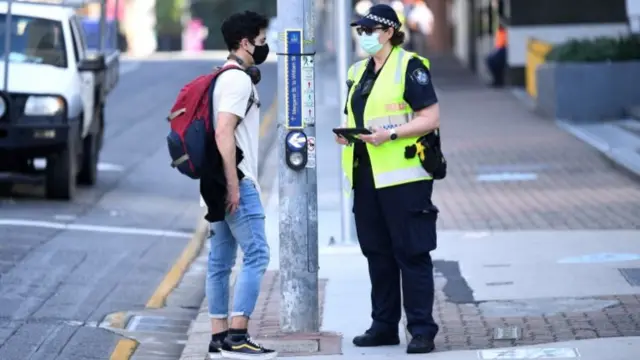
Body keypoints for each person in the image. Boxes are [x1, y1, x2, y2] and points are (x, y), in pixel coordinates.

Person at [335, 3, 441, 355]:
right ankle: (383, 326)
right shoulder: (358, 71)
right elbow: (359, 114)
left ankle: (421, 330)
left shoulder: (409, 66)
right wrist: (347, 134)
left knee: (411, 254)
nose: (363, 35)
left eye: (368, 30)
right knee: (377, 254)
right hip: (366, 178)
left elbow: (430, 117)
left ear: (388, 32)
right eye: (360, 30)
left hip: (404, 178)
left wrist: (391, 134)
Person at [200, 10, 277, 360]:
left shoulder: (222, 77)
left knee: (220, 261)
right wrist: (234, 184)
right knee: (258, 254)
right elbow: (223, 132)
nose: (264, 46)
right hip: (234, 181)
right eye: (261, 40)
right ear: (244, 43)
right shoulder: (237, 81)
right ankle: (238, 335)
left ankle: (218, 337)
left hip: (214, 180)